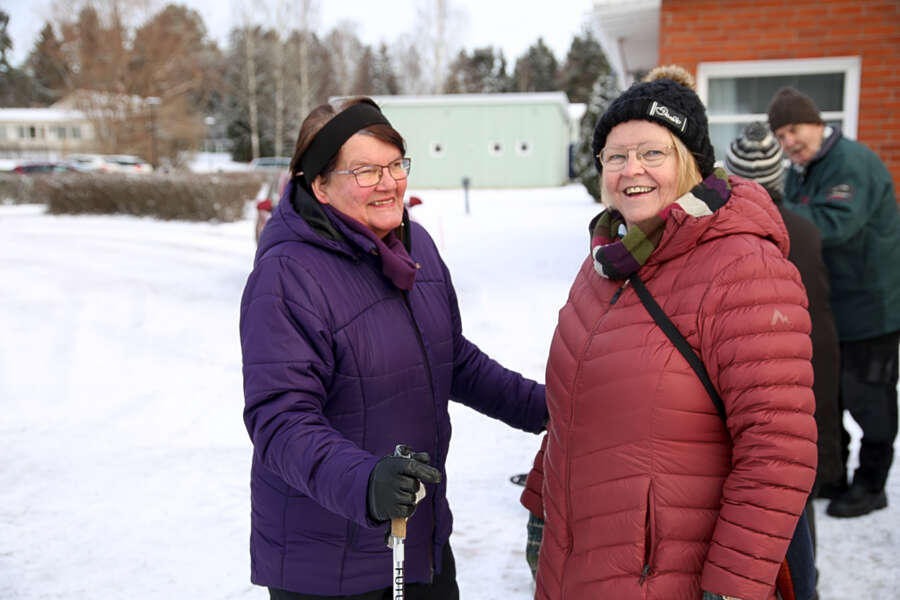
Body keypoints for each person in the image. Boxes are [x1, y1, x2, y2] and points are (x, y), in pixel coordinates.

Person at [521, 75, 818, 600]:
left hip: (671, 577)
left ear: (692, 162)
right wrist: (541, 509)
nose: (630, 170)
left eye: (652, 152)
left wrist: (731, 588)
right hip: (578, 567)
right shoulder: (605, 263)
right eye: (615, 157)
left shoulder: (744, 266)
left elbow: (777, 449)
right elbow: (572, 407)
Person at [240, 96, 547, 599]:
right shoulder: (287, 275)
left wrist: (548, 409)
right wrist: (365, 483)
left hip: (417, 537)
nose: (389, 183)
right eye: (364, 170)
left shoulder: (413, 244)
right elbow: (280, 422)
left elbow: (453, 357)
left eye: (395, 164)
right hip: (328, 563)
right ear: (319, 184)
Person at [768, 87, 900, 518]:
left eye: (794, 130)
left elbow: (831, 226)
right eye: (781, 135)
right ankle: (833, 475)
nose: (788, 142)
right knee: (831, 394)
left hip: (871, 309)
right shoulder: (802, 169)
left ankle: (872, 484)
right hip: (830, 306)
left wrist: (777, 218)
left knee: (870, 400)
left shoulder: (852, 163)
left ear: (817, 122)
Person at [724, 121, 842, 600]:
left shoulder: (726, 239)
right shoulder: (807, 233)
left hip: (750, 396)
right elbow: (824, 326)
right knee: (798, 491)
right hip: (805, 385)